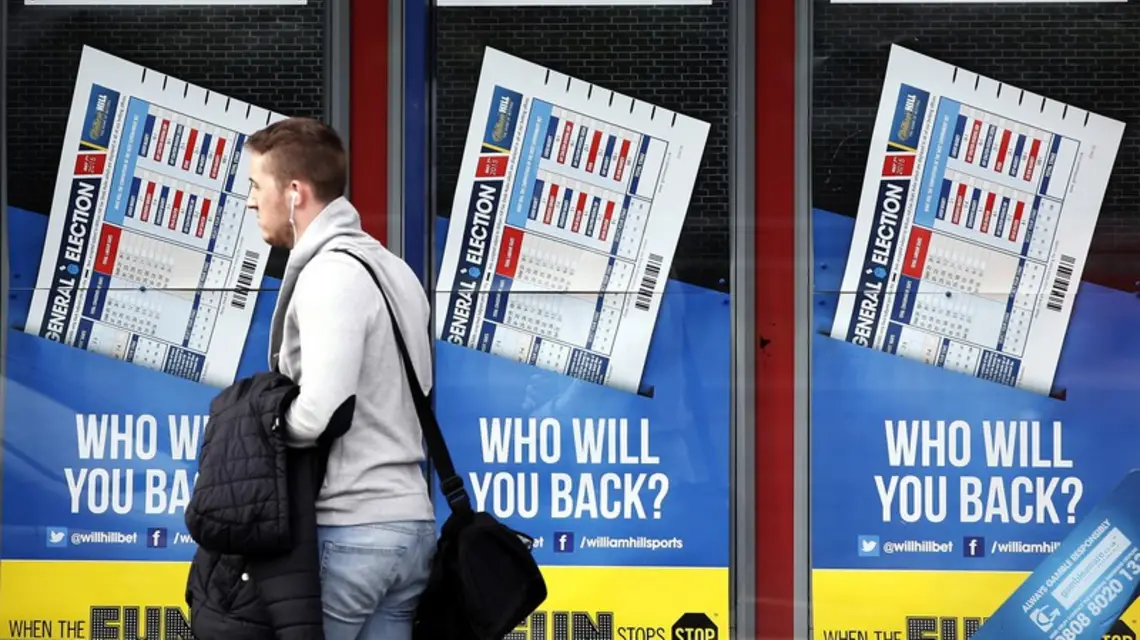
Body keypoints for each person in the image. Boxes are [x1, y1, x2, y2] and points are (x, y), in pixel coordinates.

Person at [245, 116, 437, 640]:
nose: (249, 201)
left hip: (350, 525)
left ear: (294, 191)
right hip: (410, 525)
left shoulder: (330, 274)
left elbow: (322, 411)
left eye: (256, 186)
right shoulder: (394, 269)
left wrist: (262, 423)